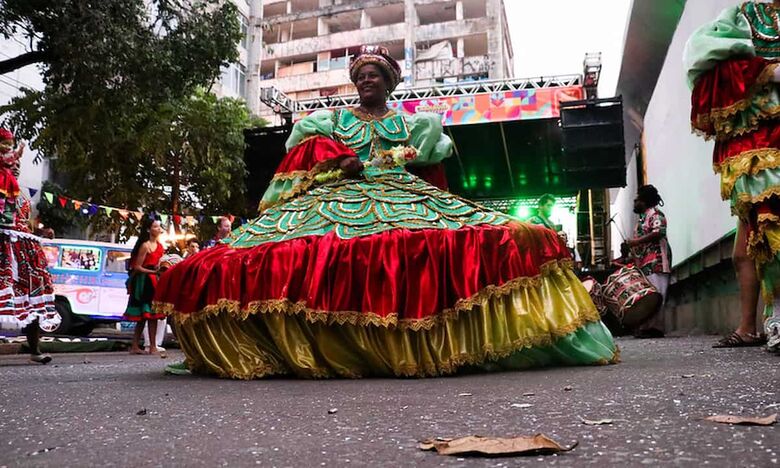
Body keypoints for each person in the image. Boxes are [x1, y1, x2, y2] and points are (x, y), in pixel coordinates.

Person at [153, 45, 617, 379]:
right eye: (360, 76)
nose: (365, 80)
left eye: (374, 74)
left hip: (401, 193)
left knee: (488, 239)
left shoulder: (412, 124)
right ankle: (326, 344)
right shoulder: (330, 122)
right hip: (339, 195)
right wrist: (338, 161)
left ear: (389, 82)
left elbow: (432, 165)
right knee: (295, 255)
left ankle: (418, 343)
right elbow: (305, 157)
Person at [684, 1, 780, 351]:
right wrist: (764, 72)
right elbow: (704, 53)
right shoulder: (746, 15)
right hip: (759, 146)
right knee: (749, 246)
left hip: (766, 146)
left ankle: (767, 322)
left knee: (764, 236)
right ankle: (753, 326)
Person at [0, 129, 60, 363]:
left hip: (25, 249)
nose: (15, 168)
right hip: (4, 246)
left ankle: (34, 350)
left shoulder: (21, 195)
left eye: (18, 167)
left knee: (34, 297)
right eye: (12, 164)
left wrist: (42, 232)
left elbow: (25, 222)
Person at [622, 185, 672, 338]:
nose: (634, 203)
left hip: (657, 261)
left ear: (644, 201)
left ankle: (655, 328)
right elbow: (640, 244)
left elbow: (658, 233)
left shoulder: (656, 215)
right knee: (648, 296)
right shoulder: (641, 220)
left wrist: (634, 242)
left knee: (657, 295)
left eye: (637, 200)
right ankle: (646, 328)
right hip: (645, 264)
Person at [124, 218, 166, 355]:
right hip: (143, 282)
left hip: (155, 281)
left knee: (152, 314)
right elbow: (137, 267)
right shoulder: (145, 246)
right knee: (144, 315)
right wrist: (154, 272)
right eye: (155, 227)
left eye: (159, 227)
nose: (159, 229)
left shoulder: (160, 246)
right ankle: (137, 345)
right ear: (149, 230)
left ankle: (151, 345)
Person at [141, 254, 183, 358]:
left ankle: (155, 344)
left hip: (167, 299)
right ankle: (151, 344)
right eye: (163, 269)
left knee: (170, 318)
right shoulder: (154, 277)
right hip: (153, 296)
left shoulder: (177, 278)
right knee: (152, 317)